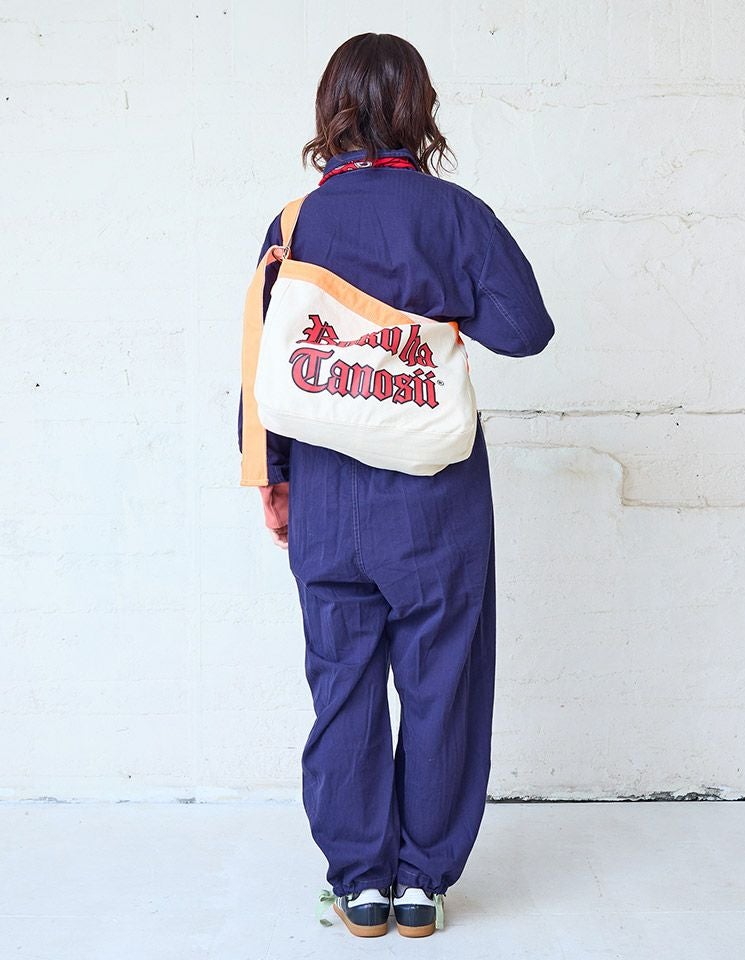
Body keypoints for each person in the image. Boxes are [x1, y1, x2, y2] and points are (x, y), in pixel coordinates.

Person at [237, 32, 555, 938]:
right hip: (436, 498)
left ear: (329, 109)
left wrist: (273, 478)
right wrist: (437, 303)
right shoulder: (454, 214)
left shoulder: (294, 224)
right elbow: (525, 330)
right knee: (443, 679)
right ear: (419, 109)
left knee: (341, 685)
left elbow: (263, 362)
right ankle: (422, 884)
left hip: (327, 493)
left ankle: (360, 887)